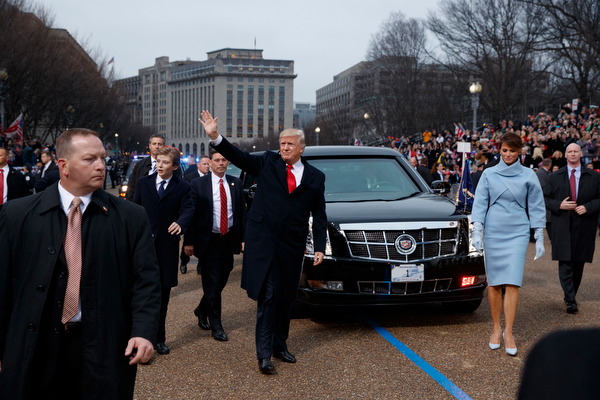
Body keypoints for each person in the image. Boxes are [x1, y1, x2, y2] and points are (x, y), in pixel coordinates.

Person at [0, 128, 161, 400]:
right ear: (63, 165)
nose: (101, 166)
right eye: (90, 159)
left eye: (102, 157)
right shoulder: (17, 215)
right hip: (36, 345)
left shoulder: (131, 217)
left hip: (103, 345)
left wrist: (144, 332)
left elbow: (146, 281)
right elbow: (3, 282)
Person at [199, 110, 326, 375]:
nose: (284, 148)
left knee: (286, 298)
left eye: (290, 144)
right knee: (268, 297)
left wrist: (320, 247)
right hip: (264, 243)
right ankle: (264, 354)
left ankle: (280, 345)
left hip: (292, 247)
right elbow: (240, 158)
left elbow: (320, 214)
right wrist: (216, 137)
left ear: (302, 148)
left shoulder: (316, 177)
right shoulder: (268, 162)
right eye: (282, 144)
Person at [471, 132, 546, 356]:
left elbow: (536, 204)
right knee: (494, 283)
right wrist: (477, 229)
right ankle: (496, 328)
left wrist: (539, 235)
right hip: (493, 231)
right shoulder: (488, 174)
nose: (508, 155)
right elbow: (481, 201)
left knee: (512, 282)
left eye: (512, 151)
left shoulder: (528, 175)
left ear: (520, 151)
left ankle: (509, 332)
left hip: (518, 232)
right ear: (499, 150)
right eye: (504, 150)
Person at [133, 146, 194, 355]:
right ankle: (140, 337)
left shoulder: (183, 187)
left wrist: (181, 223)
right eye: (158, 161)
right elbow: (135, 210)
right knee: (142, 294)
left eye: (165, 162)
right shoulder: (143, 183)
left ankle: (159, 338)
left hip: (167, 249)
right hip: (143, 247)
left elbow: (188, 209)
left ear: (175, 166)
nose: (160, 165)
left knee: (163, 296)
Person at [183, 150, 246, 342]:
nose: (220, 163)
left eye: (224, 159)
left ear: (228, 163)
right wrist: (188, 241)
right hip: (208, 239)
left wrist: (245, 238)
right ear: (210, 162)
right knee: (212, 281)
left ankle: (202, 309)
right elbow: (191, 214)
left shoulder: (236, 183)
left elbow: (242, 213)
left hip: (228, 239)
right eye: (217, 160)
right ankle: (216, 325)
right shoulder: (197, 184)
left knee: (223, 278)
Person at [543, 143, 600, 314]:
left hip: (584, 225)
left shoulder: (594, 176)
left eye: (576, 151)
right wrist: (559, 204)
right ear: (565, 155)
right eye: (570, 151)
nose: (573, 154)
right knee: (565, 261)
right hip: (562, 224)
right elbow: (544, 198)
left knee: (579, 263)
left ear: (581, 154)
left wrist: (588, 207)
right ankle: (570, 299)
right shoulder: (554, 177)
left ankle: (571, 293)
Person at [181, 155, 212, 273]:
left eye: (208, 164)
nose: (207, 166)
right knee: (188, 241)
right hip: (192, 213)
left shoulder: (211, 177)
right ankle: (184, 261)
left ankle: (201, 264)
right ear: (198, 165)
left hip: (205, 214)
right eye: (204, 164)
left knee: (203, 242)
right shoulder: (189, 178)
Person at [126, 135, 180, 201]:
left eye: (160, 144)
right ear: (149, 146)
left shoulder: (172, 165)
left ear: (164, 146)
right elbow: (131, 190)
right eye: (154, 144)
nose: (157, 147)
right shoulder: (139, 165)